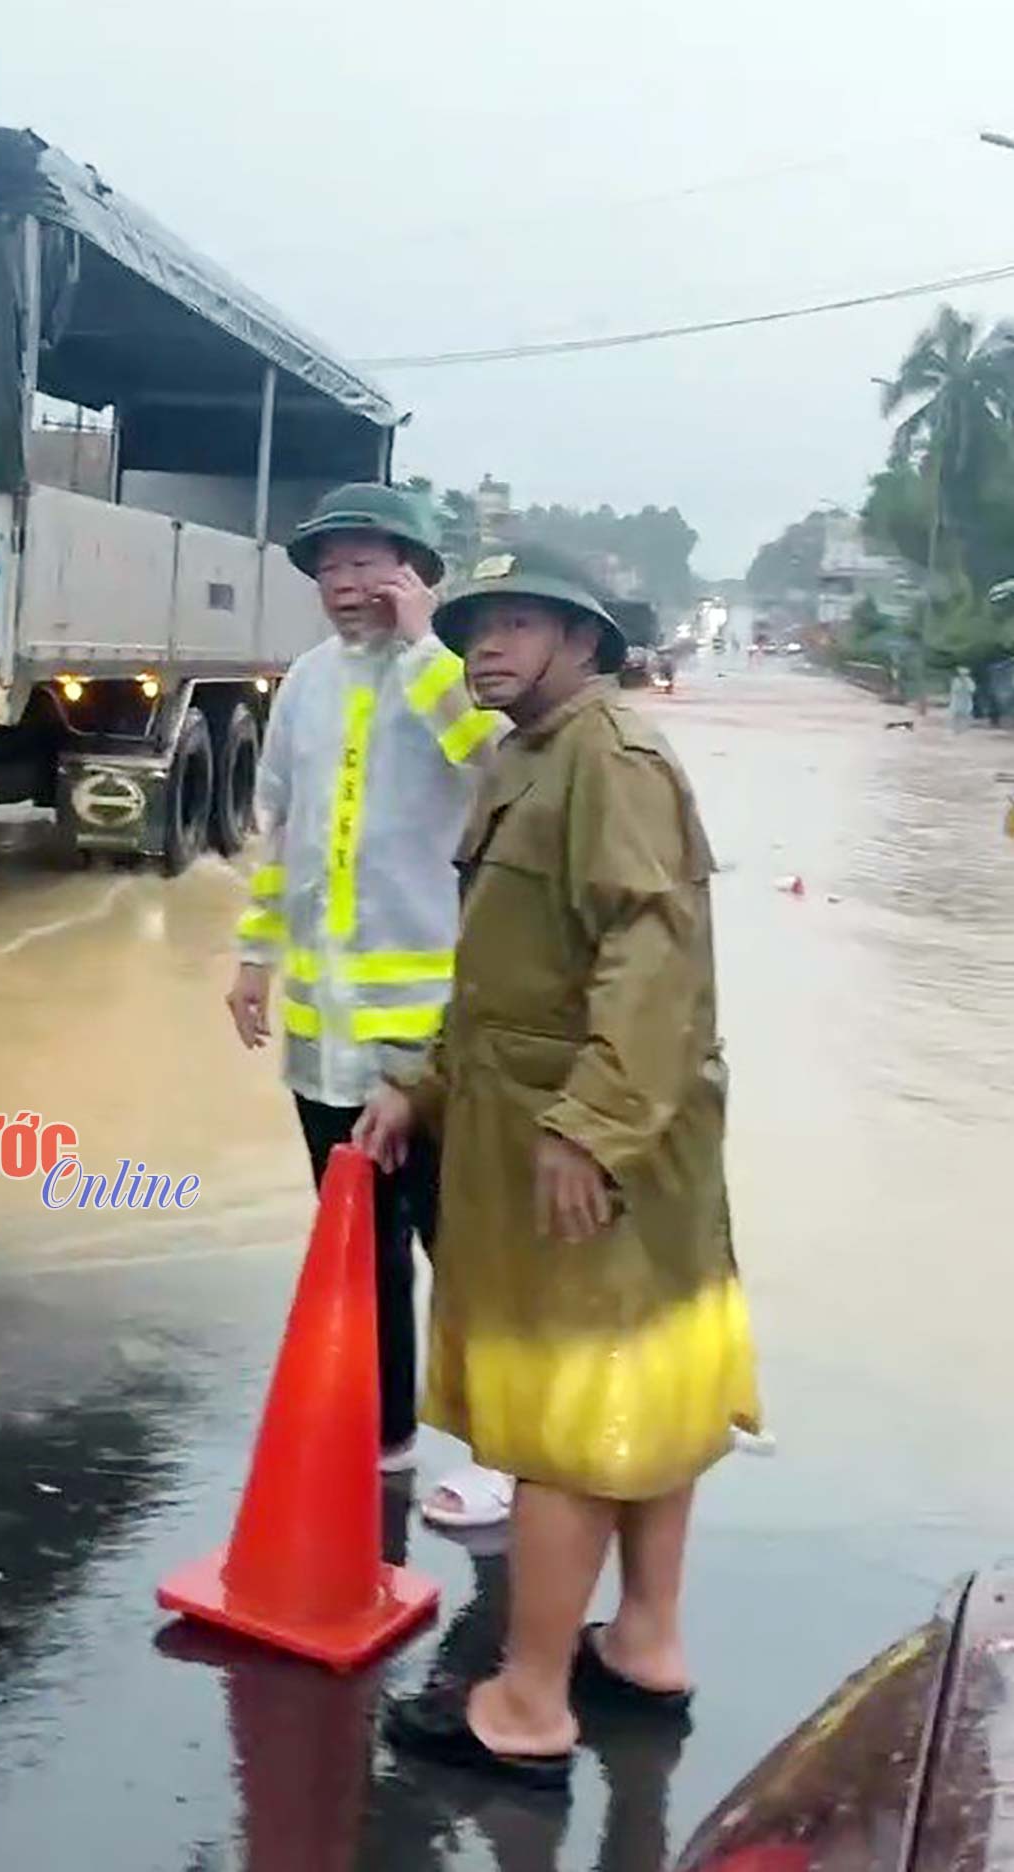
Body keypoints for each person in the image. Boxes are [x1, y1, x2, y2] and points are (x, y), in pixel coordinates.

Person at [356, 545, 761, 1788]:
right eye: (475, 623)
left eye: (520, 623)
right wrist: (418, 1083)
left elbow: (651, 955)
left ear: (584, 644)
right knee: (647, 1387)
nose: (485, 644)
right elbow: (500, 973)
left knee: (566, 1421)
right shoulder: (529, 758)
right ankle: (641, 1640)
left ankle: (527, 1700)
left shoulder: (609, 759)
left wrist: (588, 1124)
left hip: (585, 1137)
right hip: (571, 1122)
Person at [225, 481, 511, 1525]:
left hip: (427, 1034)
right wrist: (253, 957)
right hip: (321, 1031)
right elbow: (280, 829)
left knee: (459, 1240)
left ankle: (502, 1448)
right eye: (331, 566)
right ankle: (387, 1432)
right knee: (356, 1240)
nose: (347, 584)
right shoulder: (302, 682)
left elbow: (496, 765)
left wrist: (428, 644)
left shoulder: (452, 678)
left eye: (369, 562)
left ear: (415, 570)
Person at [949, 665, 976, 733]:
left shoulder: (969, 681)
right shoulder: (956, 680)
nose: (962, 675)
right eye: (961, 674)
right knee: (956, 713)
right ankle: (956, 727)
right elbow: (954, 690)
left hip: (966, 699)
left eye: (964, 674)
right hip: (958, 699)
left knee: (966, 713)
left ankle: (964, 727)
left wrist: (967, 687)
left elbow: (972, 689)